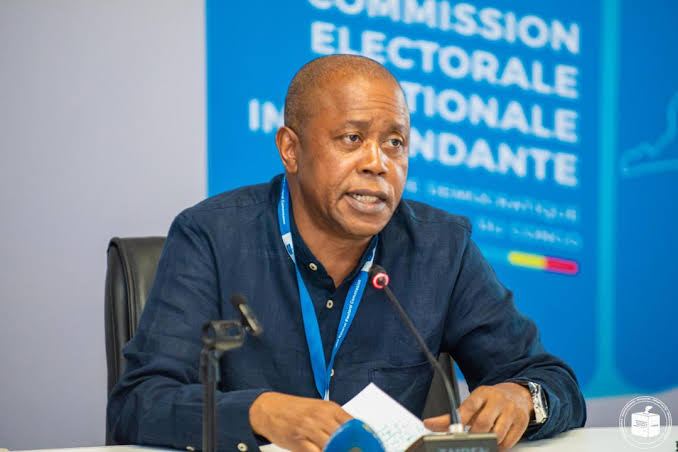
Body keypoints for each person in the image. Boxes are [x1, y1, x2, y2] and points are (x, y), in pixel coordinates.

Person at [107, 55, 586, 452]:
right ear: (290, 149)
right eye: (352, 139)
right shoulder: (212, 237)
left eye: (395, 143)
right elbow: (138, 402)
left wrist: (524, 398)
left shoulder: (442, 247)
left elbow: (550, 379)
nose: (378, 163)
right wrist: (260, 412)